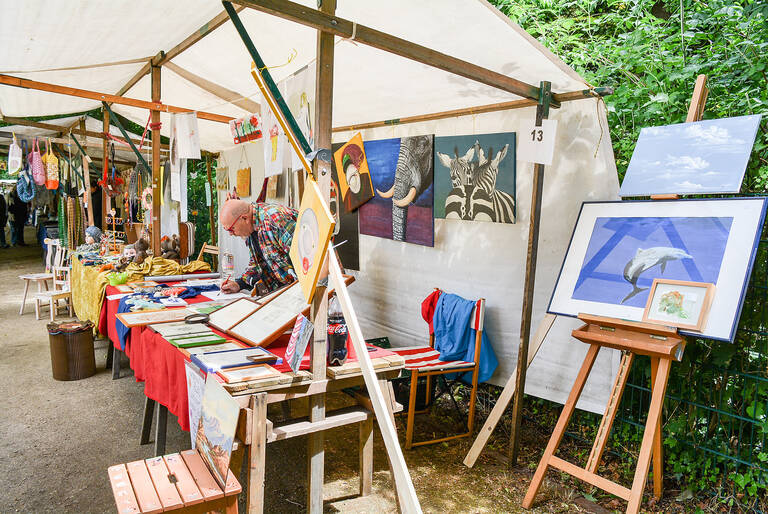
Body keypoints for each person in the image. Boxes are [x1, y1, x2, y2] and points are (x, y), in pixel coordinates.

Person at [219, 199, 298, 296]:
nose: (231, 234)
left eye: (231, 229)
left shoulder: (275, 219)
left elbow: (303, 259)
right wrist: (239, 284)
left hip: (301, 291)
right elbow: (258, 263)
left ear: (244, 218)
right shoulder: (251, 230)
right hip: (284, 292)